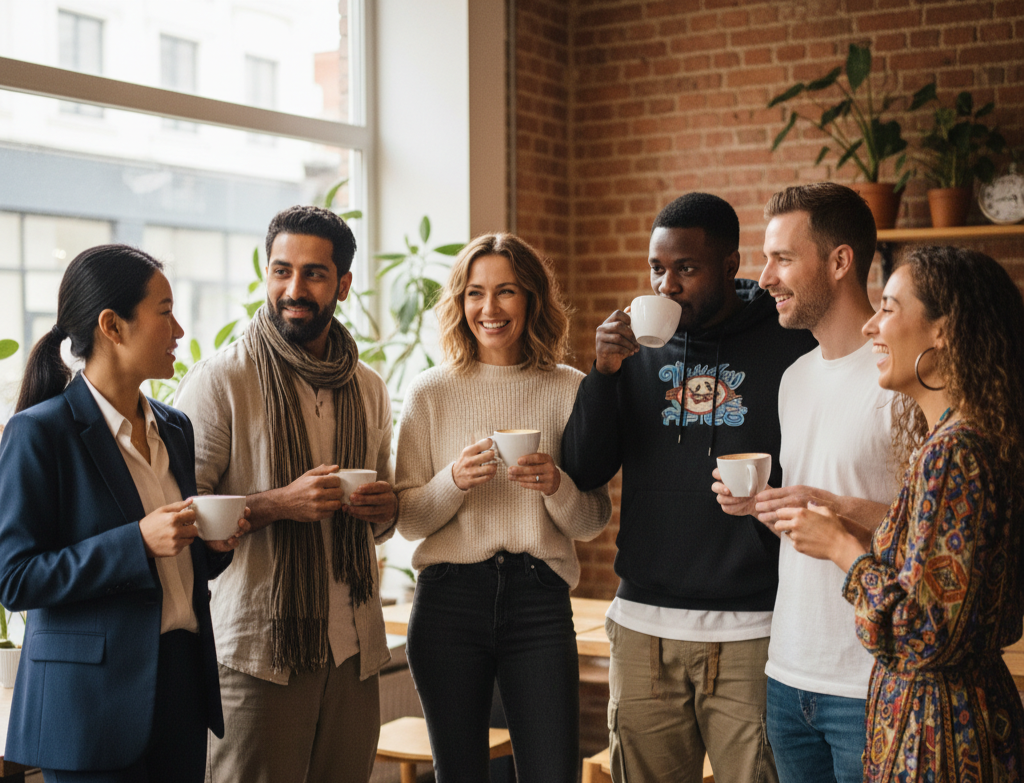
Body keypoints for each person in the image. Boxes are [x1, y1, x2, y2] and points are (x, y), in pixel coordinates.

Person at [561, 193, 816, 783]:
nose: (666, 285)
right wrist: (602, 375)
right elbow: (584, 468)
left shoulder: (788, 343)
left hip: (754, 625)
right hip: (644, 623)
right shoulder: (633, 354)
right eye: (656, 268)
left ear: (730, 267)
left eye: (686, 269)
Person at [774, 246, 1024, 782]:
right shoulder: (976, 437)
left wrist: (841, 546)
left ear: (943, 331)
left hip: (937, 740)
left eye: (888, 308)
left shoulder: (954, 452)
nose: (870, 326)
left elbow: (923, 634)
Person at [0, 244, 246, 783]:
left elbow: (176, 572)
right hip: (90, 709)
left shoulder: (175, 427)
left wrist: (212, 548)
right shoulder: (39, 433)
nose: (179, 330)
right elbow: (15, 579)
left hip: (180, 689)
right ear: (113, 325)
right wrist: (135, 541)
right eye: (164, 312)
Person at [174, 206, 398, 783]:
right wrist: (278, 504)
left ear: (343, 284)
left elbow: (382, 512)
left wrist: (384, 509)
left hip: (354, 649)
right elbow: (181, 516)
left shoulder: (368, 387)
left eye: (314, 274)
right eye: (281, 271)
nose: (293, 289)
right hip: (258, 654)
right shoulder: (222, 378)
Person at [394, 233, 611, 782]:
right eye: (475, 293)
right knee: (459, 774)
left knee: (551, 772)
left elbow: (591, 521)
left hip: (538, 600)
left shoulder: (571, 390)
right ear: (460, 302)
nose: (488, 309)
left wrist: (555, 485)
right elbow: (408, 520)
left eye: (506, 292)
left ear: (533, 299)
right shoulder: (429, 392)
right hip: (448, 601)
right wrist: (453, 481)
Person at [713, 183, 897, 783]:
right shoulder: (793, 378)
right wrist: (764, 505)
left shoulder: (899, 377)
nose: (763, 277)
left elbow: (940, 527)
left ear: (840, 261)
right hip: (789, 674)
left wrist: (834, 506)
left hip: (870, 678)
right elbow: (810, 516)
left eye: (782, 258)